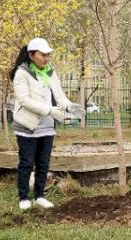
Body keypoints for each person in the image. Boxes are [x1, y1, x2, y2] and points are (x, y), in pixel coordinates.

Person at [10, 38, 80, 211]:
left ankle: (40, 196)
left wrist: (69, 105)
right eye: (43, 55)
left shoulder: (50, 72)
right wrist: (49, 110)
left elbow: (59, 95)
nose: (46, 58)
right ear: (32, 55)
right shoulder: (22, 73)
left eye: (48, 55)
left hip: (47, 127)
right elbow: (25, 100)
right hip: (28, 126)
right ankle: (24, 197)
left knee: (43, 163)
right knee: (26, 162)